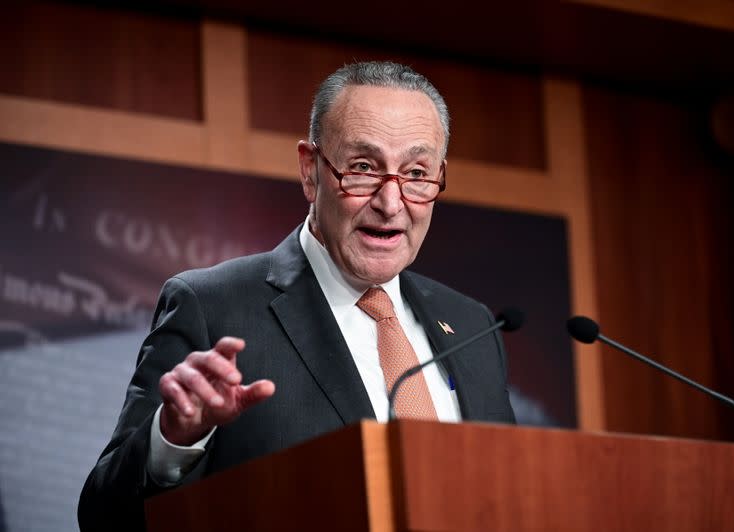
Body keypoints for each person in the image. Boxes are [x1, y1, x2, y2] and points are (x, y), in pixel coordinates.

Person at [78, 61, 516, 531]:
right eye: (363, 168)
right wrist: (174, 441)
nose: (392, 204)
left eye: (416, 173)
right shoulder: (212, 306)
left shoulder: (472, 325)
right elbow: (104, 517)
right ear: (310, 171)